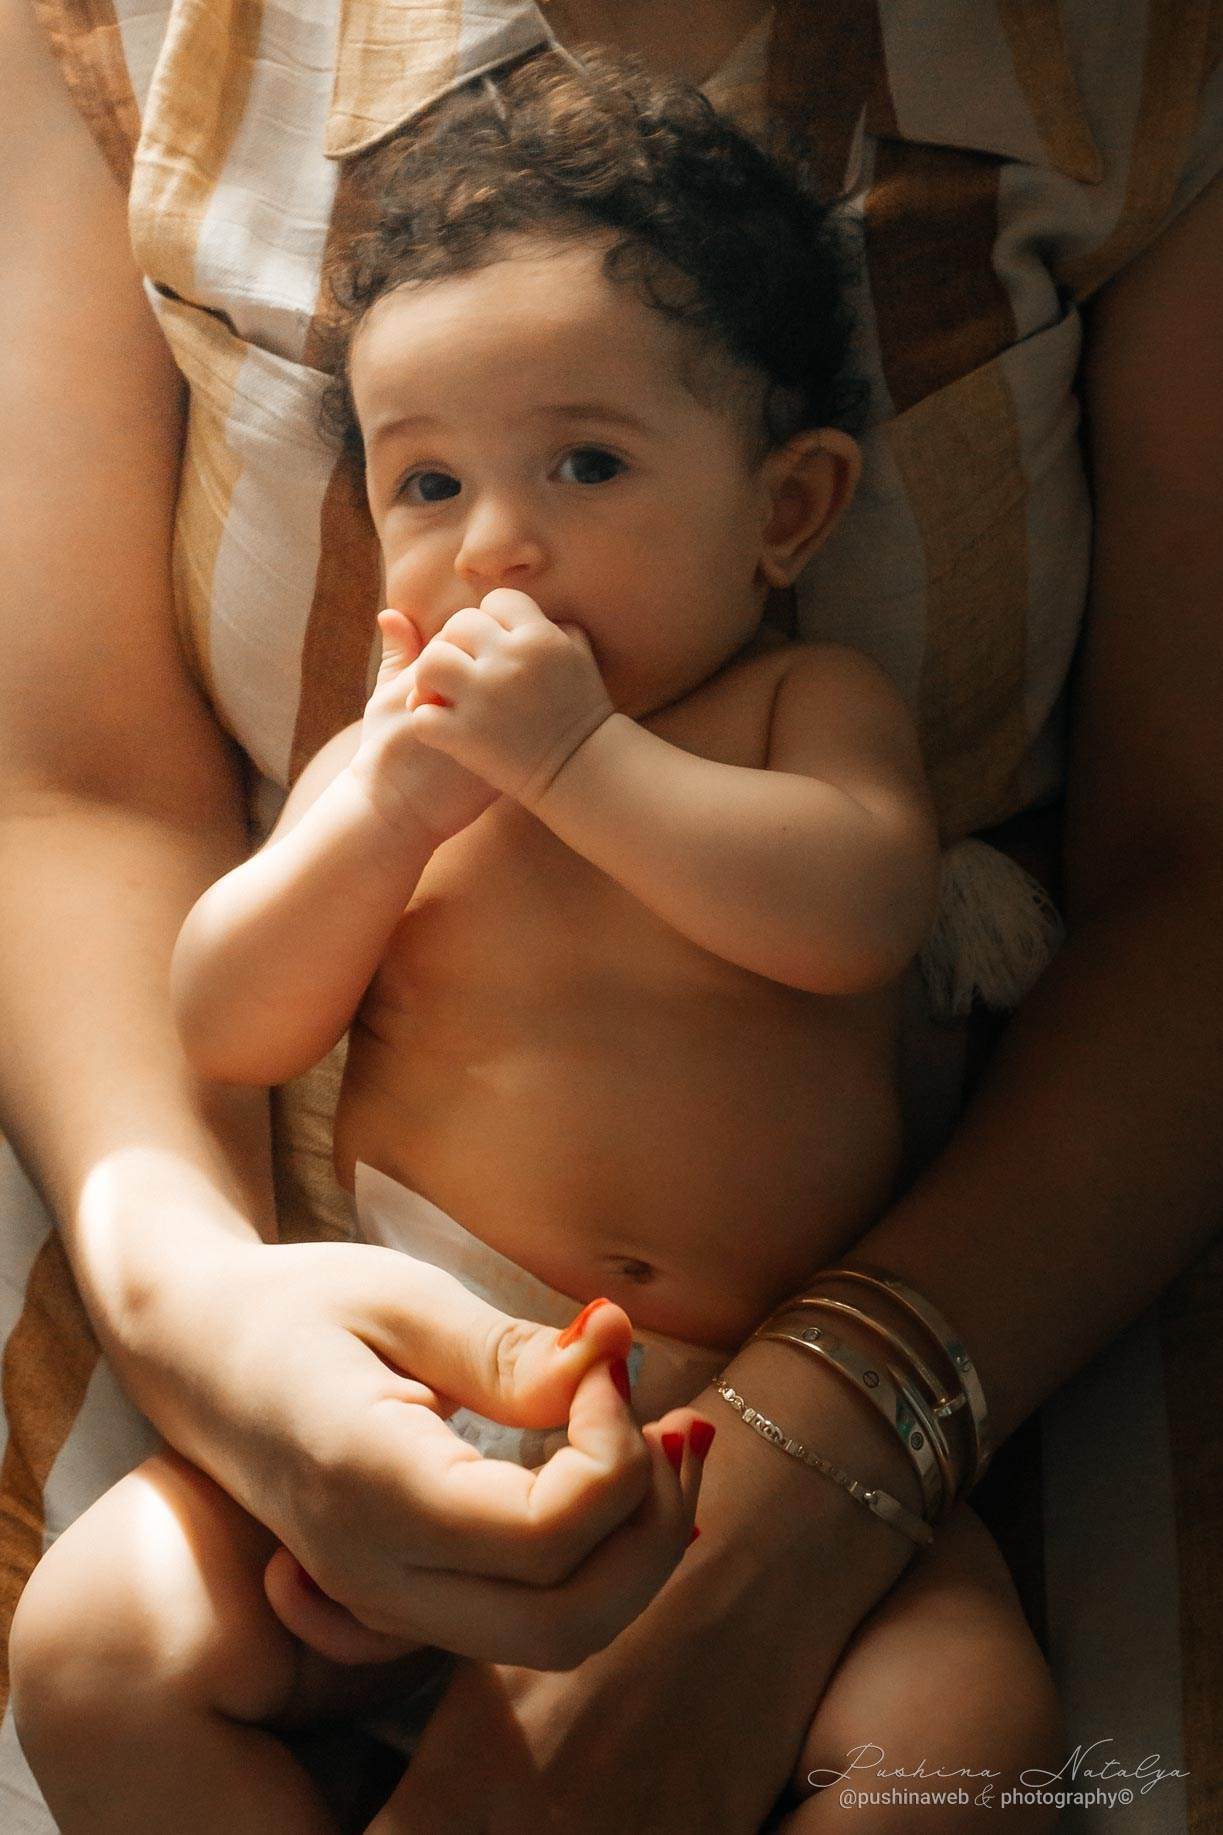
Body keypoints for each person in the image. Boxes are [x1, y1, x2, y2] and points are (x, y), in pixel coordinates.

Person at [1, 1, 1221, 1831]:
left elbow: (858, 913)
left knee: (966, 1733)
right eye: (428, 483)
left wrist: (579, 767)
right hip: (395, 1370)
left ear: (789, 512)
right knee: (95, 1644)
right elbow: (225, 1021)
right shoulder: (391, 763)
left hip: (754, 1398)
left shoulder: (792, 721)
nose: (495, 544)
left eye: (585, 466)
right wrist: (374, 818)